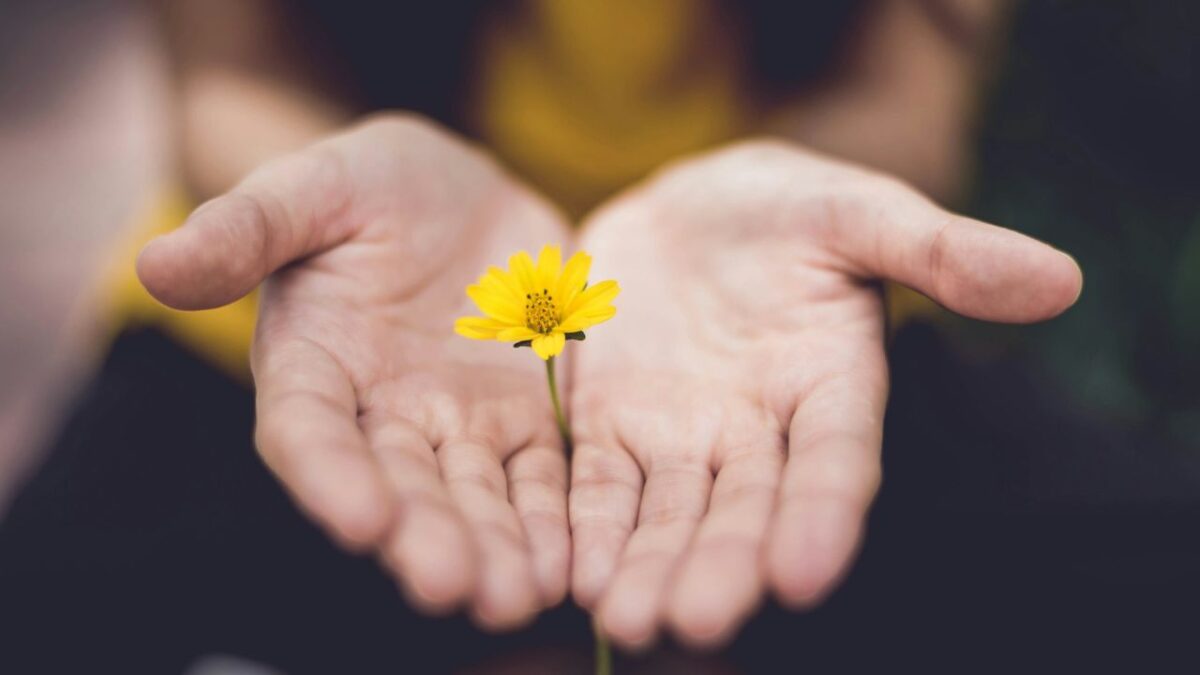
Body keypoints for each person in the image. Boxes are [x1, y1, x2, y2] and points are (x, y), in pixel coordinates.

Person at [5, 1, 1195, 672]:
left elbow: (913, 87)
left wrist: (791, 188)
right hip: (340, 316)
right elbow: (229, 68)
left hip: (767, 332)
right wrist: (310, 194)